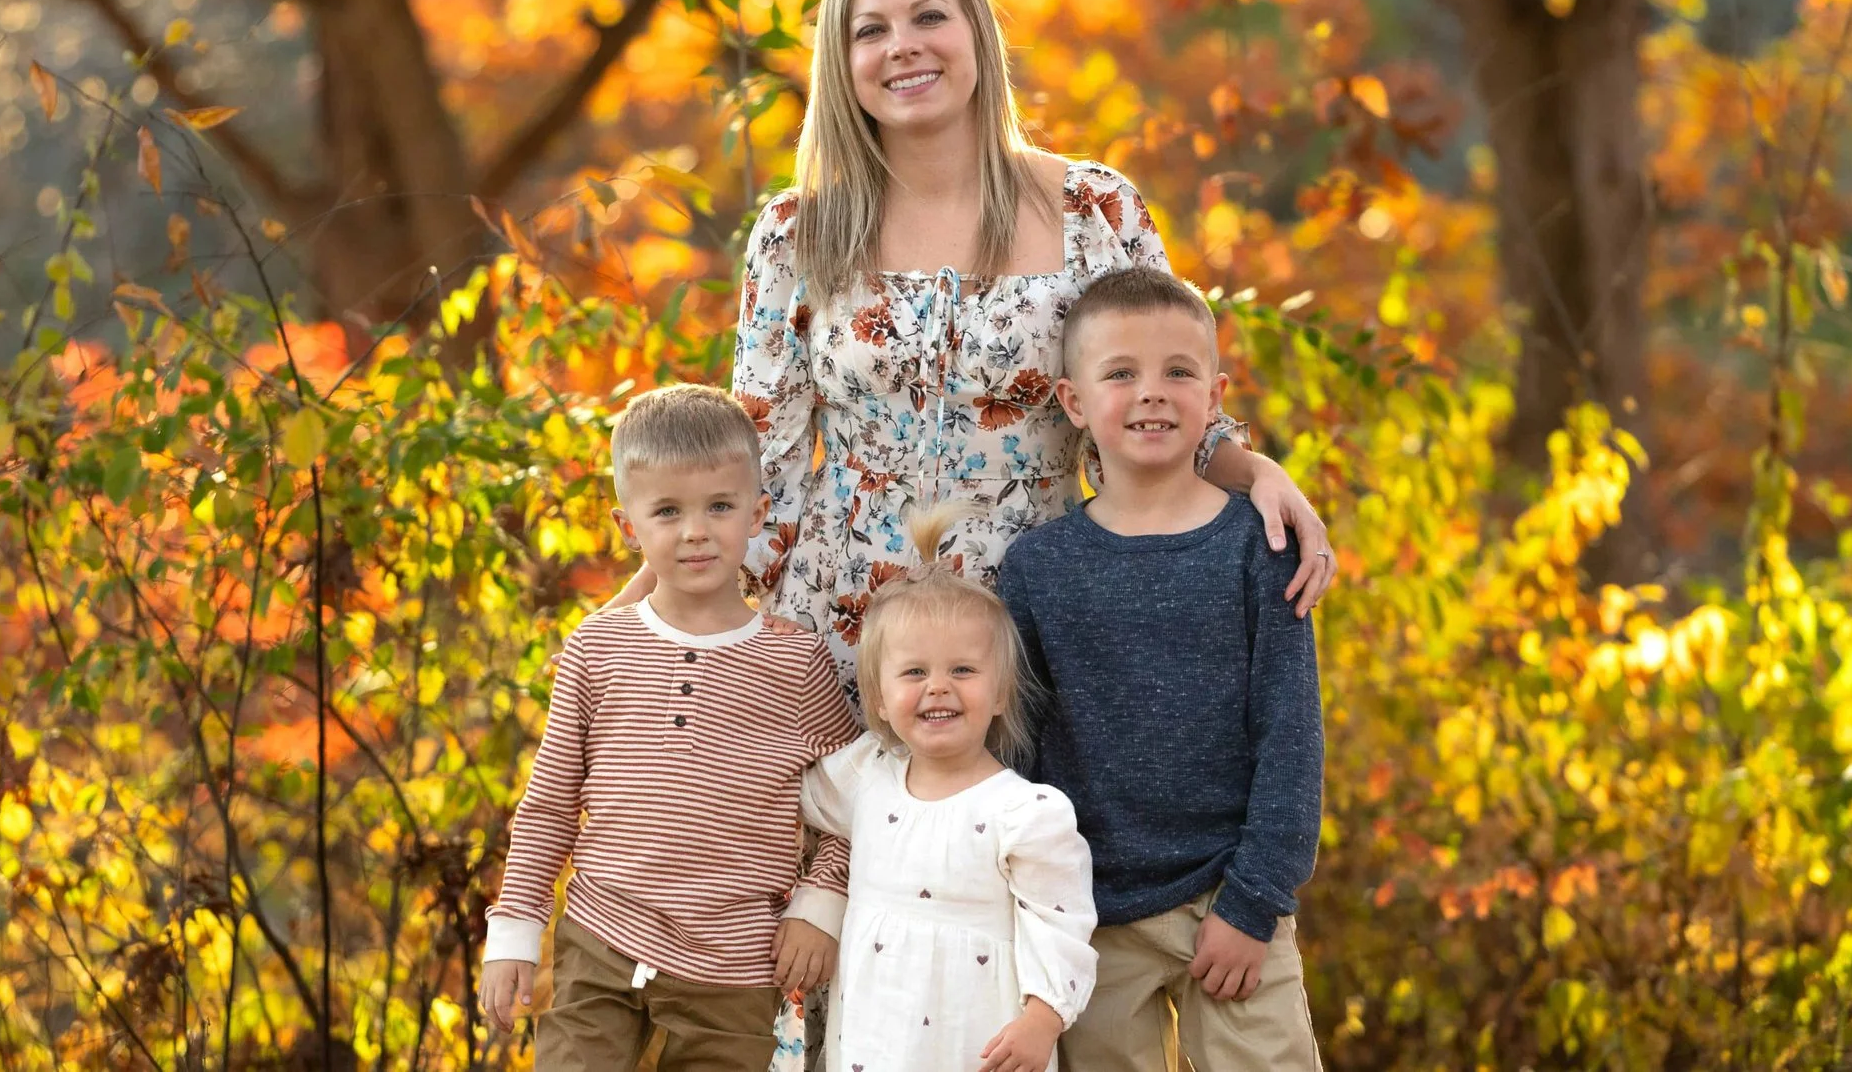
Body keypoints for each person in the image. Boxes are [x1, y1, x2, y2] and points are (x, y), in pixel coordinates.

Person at [635, 0, 1335, 702]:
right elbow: (757, 466)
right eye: (872, 30)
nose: (903, 44)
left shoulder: (1091, 210)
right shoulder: (798, 234)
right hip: (842, 638)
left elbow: (1154, 405)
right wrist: (645, 622)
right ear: (844, 62)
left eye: (930, 16)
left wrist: (1258, 471)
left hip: (1034, 627)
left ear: (977, 33)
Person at [996, 267, 1326, 1072]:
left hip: (1232, 893)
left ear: (1214, 397)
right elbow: (1018, 753)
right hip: (1090, 919)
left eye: (1178, 372)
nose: (1152, 393)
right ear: (1074, 403)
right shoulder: (1037, 567)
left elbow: (1292, 735)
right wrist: (1033, 910)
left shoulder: (1258, 543)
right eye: (1121, 374)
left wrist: (1255, 903)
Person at [480, 386, 859, 1071]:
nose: (695, 530)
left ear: (757, 512)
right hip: (601, 940)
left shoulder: (796, 661)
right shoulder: (597, 647)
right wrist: (513, 931)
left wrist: (822, 897)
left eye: (719, 505)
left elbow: (859, 803)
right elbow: (549, 805)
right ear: (628, 526)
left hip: (734, 970)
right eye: (667, 511)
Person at [799, 505, 1098, 1072]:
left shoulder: (1025, 812)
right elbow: (791, 794)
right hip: (874, 1042)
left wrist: (1043, 1019)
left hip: (978, 1043)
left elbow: (1062, 926)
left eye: (963, 671)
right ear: (880, 700)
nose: (938, 687)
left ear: (1002, 693)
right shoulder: (868, 777)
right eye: (914, 673)